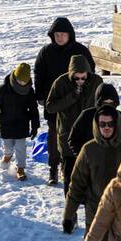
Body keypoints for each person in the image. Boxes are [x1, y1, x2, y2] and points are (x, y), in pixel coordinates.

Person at [34, 18, 95, 185]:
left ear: (70, 35)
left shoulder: (80, 51)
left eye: (63, 34)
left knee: (79, 134)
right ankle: (53, 168)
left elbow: (91, 73)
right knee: (54, 136)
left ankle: (79, 168)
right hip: (55, 101)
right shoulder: (46, 52)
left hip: (79, 102)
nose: (59, 37)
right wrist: (40, 95)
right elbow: (38, 74)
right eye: (56, 34)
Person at [64, 106, 121, 241]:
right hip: (96, 215)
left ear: (117, 124)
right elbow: (76, 185)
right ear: (97, 125)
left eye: (110, 124)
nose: (106, 128)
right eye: (102, 124)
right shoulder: (89, 150)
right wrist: (68, 215)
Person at [45, 54, 103, 196]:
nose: (80, 81)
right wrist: (72, 96)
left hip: (90, 134)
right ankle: (71, 213)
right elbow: (50, 107)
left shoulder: (96, 81)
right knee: (69, 176)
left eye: (83, 78)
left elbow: (104, 102)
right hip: (67, 135)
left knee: (91, 174)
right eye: (76, 78)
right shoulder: (60, 83)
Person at [0, 62, 39, 182]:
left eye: (25, 82)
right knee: (7, 146)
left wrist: (35, 126)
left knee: (20, 147)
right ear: (15, 77)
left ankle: (20, 168)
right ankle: (7, 157)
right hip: (5, 123)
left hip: (22, 124)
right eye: (20, 81)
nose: (22, 84)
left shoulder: (29, 91)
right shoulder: (4, 89)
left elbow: (34, 110)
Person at [68, 83, 121, 159]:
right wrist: (83, 157)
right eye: (104, 103)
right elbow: (73, 139)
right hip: (91, 161)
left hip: (116, 162)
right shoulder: (86, 115)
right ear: (99, 102)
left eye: (111, 103)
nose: (108, 106)